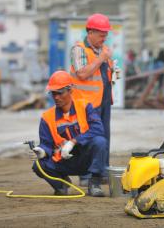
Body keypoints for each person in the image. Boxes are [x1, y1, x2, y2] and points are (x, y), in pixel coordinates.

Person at [31, 70, 107, 197]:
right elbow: (46, 144)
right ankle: (61, 184)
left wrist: (73, 142)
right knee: (38, 166)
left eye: (60, 93)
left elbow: (98, 129)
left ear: (70, 90)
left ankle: (94, 183)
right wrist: (42, 151)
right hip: (64, 161)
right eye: (53, 93)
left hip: (85, 159)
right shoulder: (47, 117)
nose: (56, 97)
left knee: (100, 142)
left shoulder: (85, 106)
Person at [70, 13, 114, 186]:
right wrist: (101, 59)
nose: (105, 38)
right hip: (85, 104)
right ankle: (86, 175)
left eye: (106, 34)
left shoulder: (102, 51)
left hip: (103, 103)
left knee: (104, 138)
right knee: (89, 138)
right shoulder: (79, 49)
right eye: (101, 34)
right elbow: (82, 73)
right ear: (90, 32)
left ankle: (101, 172)